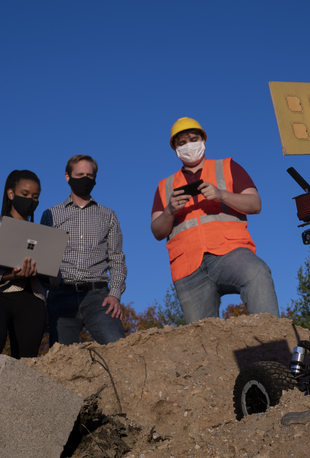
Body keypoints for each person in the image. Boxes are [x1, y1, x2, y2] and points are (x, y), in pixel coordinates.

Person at [151, 117, 279, 324]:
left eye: (193, 139)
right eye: (182, 143)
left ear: (203, 140)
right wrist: (169, 211)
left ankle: (271, 341)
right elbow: (157, 231)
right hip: (188, 267)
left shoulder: (228, 166)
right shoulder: (164, 186)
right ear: (174, 148)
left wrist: (222, 195)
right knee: (202, 337)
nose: (189, 146)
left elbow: (255, 204)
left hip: (230, 252)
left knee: (256, 272)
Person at [40, 154, 127, 345]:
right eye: (80, 174)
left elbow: (117, 259)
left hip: (99, 297)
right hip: (61, 296)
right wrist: (44, 300)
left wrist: (115, 294)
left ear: (95, 178)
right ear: (67, 176)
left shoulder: (108, 215)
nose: (85, 179)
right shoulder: (50, 215)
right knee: (62, 358)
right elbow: (44, 261)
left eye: (90, 175)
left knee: (117, 348)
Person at [0, 169, 47, 359]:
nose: (30, 200)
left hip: (32, 300)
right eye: (25, 194)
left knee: (27, 359)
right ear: (11, 193)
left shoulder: (44, 235)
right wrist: (15, 274)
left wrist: (42, 271)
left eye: (35, 196)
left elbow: (54, 278)